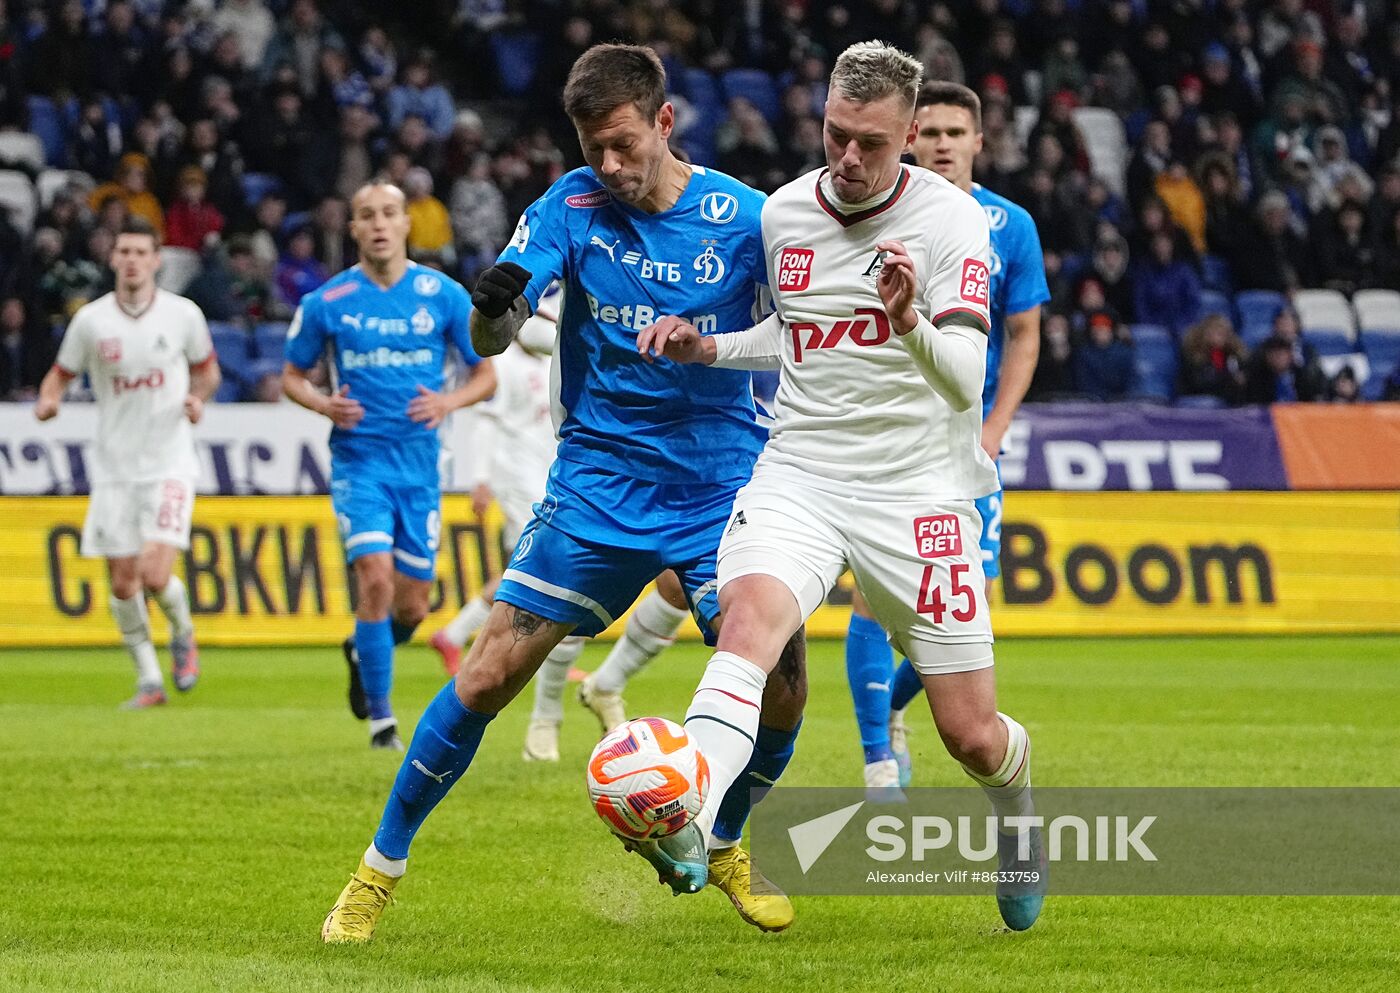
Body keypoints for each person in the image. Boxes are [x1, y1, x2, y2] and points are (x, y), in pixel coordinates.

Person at [321, 44, 801, 944]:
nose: (609, 168)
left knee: (784, 682)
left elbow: (795, 340)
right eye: (592, 149)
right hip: (598, 484)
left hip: (722, 486)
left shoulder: (747, 219)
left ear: (665, 122)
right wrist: (493, 306)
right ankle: (376, 871)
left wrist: (709, 347)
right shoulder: (568, 206)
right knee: (486, 673)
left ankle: (727, 838)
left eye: (622, 145)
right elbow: (495, 337)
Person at [635, 40, 1043, 933]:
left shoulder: (952, 225)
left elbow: (966, 372)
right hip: (802, 474)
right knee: (748, 625)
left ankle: (1018, 815)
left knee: (972, 736)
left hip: (920, 493)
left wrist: (908, 320)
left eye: (872, 144)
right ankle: (689, 818)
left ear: (906, 136)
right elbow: (792, 334)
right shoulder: (783, 213)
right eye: (836, 135)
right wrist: (710, 347)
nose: (849, 159)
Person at [845, 80, 1049, 794]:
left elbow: (1024, 335)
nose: (940, 144)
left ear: (977, 143)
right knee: (872, 598)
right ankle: (877, 758)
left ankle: (896, 710)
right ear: (908, 138)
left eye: (954, 133)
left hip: (964, 443)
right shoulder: (873, 214)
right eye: (928, 131)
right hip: (886, 439)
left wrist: (995, 428)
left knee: (960, 607)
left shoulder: (1009, 226)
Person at [281, 180, 496, 750]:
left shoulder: (443, 295)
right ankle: (382, 722)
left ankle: (363, 647)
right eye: (367, 215)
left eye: (389, 214)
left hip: (420, 470)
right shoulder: (326, 303)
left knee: (413, 605)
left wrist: (448, 402)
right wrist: (324, 404)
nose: (378, 224)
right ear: (352, 229)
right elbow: (291, 376)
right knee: (373, 577)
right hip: (360, 465)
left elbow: (485, 373)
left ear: (407, 224)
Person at [33, 217, 220, 708]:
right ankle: (149, 681)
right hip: (115, 467)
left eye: (142, 252)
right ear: (112, 259)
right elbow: (59, 375)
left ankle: (182, 632)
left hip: (169, 462)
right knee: (122, 583)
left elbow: (208, 372)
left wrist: (199, 400)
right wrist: (49, 400)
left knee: (155, 574)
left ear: (156, 260)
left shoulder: (183, 315)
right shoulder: (92, 321)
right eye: (125, 252)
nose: (133, 260)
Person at [428, 283, 589, 762]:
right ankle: (474, 642)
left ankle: (455, 634)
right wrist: (479, 479)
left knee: (528, 569)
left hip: (542, 472)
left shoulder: (547, 362)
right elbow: (483, 421)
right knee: (541, 566)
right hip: (513, 476)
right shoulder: (502, 364)